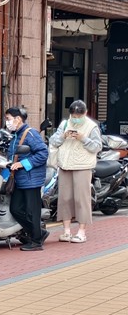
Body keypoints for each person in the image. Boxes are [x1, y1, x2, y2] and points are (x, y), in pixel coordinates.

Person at [49, 100, 101, 244]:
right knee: (64, 199)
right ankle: (66, 232)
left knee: (81, 199)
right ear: (70, 114)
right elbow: (53, 141)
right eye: (74, 115)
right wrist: (63, 136)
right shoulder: (65, 124)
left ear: (85, 113)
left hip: (83, 166)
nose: (76, 118)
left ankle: (81, 232)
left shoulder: (92, 126)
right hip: (65, 165)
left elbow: (97, 147)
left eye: (79, 115)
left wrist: (83, 138)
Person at [5, 106, 50, 251]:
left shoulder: (30, 134)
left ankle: (36, 241)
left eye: (8, 119)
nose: (7, 122)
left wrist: (22, 164)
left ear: (18, 119)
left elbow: (43, 153)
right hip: (20, 179)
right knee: (15, 209)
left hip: (31, 179)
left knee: (32, 211)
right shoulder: (16, 135)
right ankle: (39, 233)